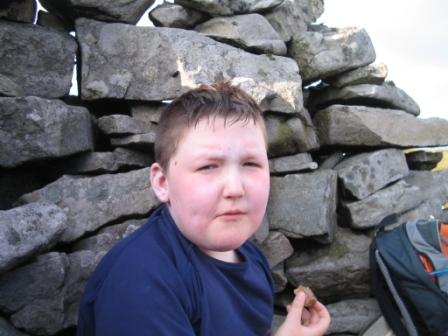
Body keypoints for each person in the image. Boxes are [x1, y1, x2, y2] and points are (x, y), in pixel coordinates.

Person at [76, 81, 331, 335]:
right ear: (162, 182)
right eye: (208, 166)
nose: (235, 188)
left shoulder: (251, 257)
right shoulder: (140, 283)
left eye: (251, 164)